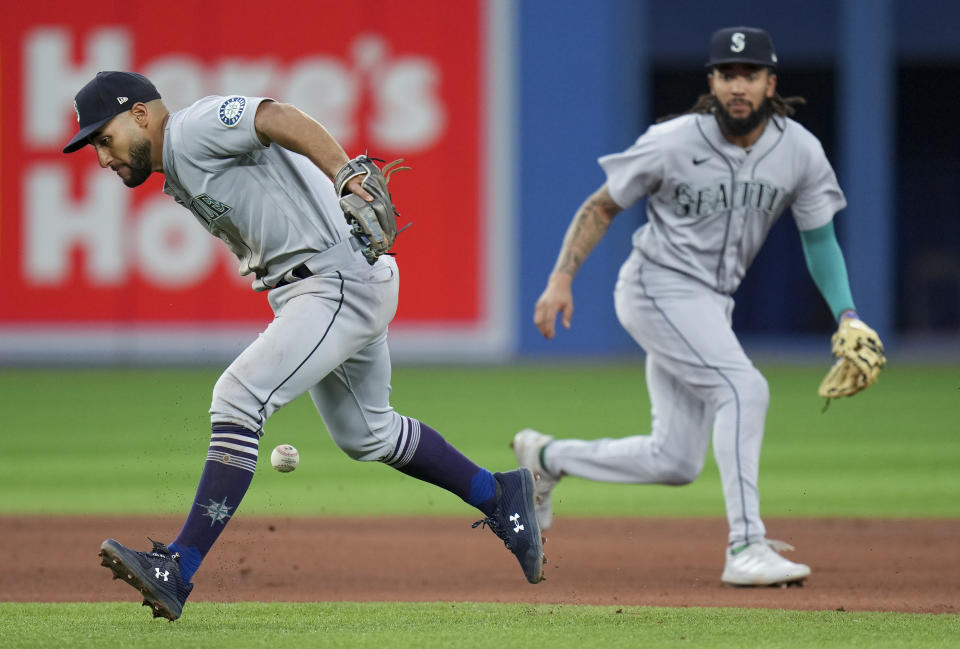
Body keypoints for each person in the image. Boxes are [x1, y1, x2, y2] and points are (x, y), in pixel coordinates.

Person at [63, 70, 544, 621]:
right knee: (368, 434)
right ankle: (499, 495)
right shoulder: (177, 168)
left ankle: (179, 564)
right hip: (322, 288)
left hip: (332, 281)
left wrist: (345, 176)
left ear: (141, 115)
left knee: (239, 397)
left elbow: (276, 117)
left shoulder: (192, 129)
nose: (103, 157)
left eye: (105, 138)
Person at [514, 26, 883, 586]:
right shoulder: (673, 141)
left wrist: (848, 313)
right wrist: (561, 277)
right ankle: (746, 545)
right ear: (711, 82)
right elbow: (602, 205)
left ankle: (545, 458)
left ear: (770, 82)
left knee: (675, 461)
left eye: (750, 75)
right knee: (744, 388)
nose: (739, 85)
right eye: (728, 74)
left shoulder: (799, 150)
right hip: (656, 287)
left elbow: (819, 237)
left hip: (710, 304)